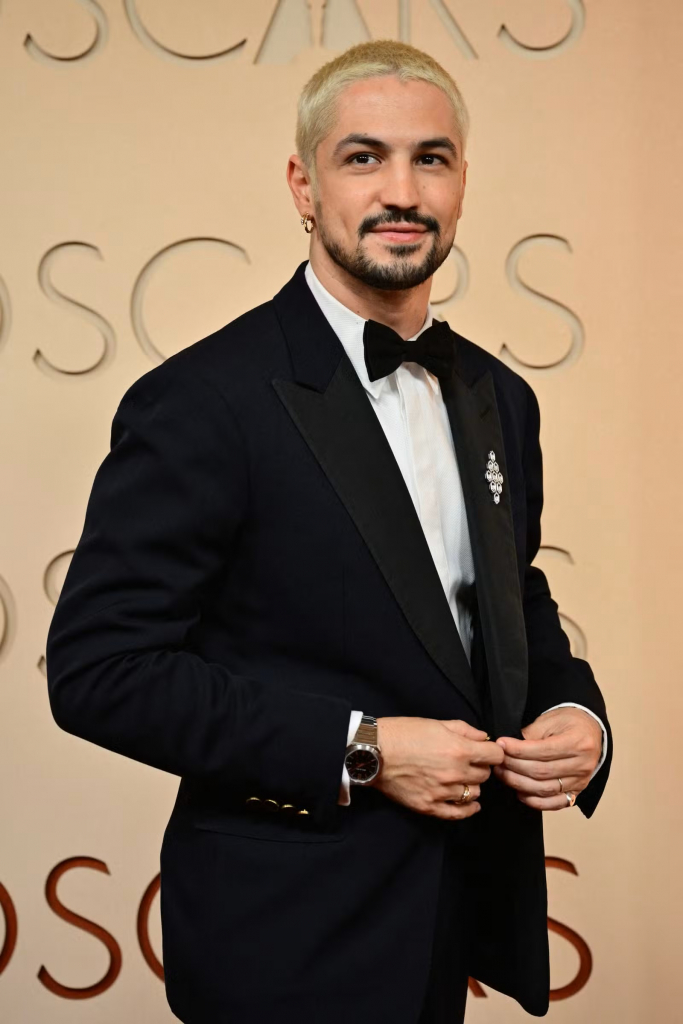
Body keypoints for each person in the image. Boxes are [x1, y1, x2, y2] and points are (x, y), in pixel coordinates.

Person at [46, 39, 611, 1024]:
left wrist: (577, 717)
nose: (401, 189)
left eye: (428, 158)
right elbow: (99, 669)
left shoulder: (497, 397)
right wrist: (361, 749)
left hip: (450, 919)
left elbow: (508, 601)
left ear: (462, 182)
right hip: (281, 939)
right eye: (363, 158)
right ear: (303, 186)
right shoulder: (202, 401)